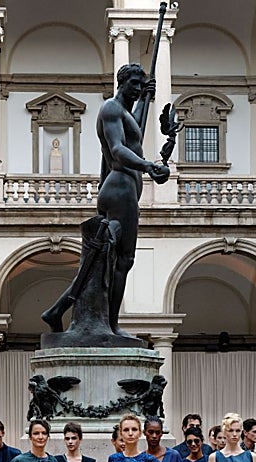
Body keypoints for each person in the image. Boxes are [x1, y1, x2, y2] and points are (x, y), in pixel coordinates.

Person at [39, 63, 171, 339]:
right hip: (120, 187)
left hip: (123, 189)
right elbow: (118, 149)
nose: (137, 88)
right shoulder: (111, 108)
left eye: (141, 84)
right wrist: (147, 166)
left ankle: (58, 310)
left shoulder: (123, 112)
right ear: (121, 82)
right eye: (134, 83)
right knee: (123, 261)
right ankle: (111, 325)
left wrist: (146, 98)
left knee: (102, 258)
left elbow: (135, 128)